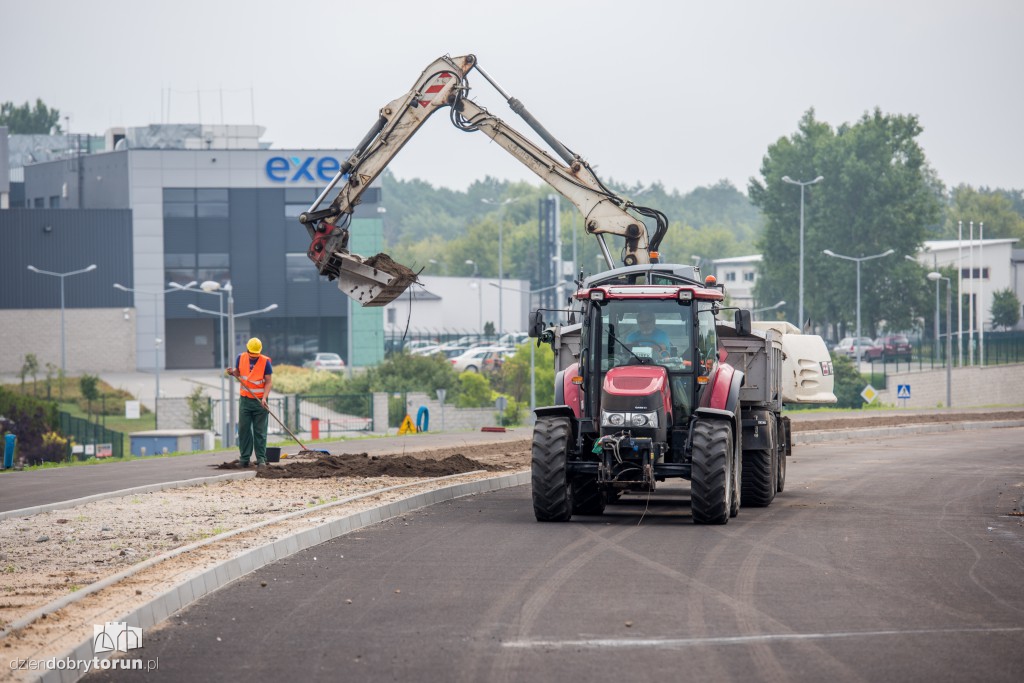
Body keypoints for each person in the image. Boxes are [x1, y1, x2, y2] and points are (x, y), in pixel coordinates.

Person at [226, 337, 273, 467]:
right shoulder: (240, 358)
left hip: (260, 402)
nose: (253, 357)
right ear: (247, 349)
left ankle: (261, 459)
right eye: (252, 354)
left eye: (256, 355)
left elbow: (268, 382)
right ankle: (244, 459)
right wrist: (232, 372)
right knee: (244, 430)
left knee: (260, 431)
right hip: (245, 400)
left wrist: (264, 398)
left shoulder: (265, 362)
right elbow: (238, 372)